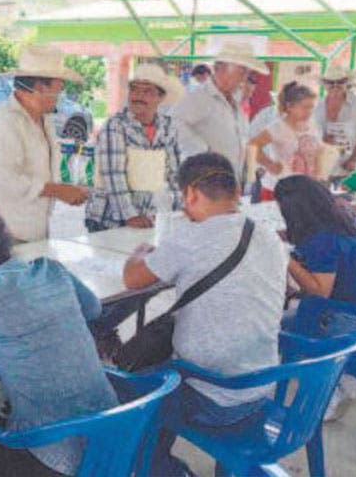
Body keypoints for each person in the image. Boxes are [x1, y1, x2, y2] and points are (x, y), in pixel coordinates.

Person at [122, 152, 287, 477]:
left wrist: (140, 251)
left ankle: (166, 470)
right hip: (261, 383)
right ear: (236, 191)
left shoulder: (191, 236)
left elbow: (132, 278)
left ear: (191, 194)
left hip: (212, 396)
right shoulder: (267, 235)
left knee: (132, 398)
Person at [0, 200, 118, 477]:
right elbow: (93, 309)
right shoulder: (52, 269)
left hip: (52, 456)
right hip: (112, 442)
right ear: (6, 236)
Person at [274, 175, 356, 422]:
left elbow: (320, 291)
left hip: (343, 317)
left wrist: (285, 258)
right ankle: (345, 378)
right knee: (289, 317)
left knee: (275, 328)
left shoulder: (321, 239)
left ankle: (331, 385)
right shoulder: (341, 216)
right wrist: (283, 236)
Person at [0, 45, 89, 242]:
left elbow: (44, 170)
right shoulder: (3, 122)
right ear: (41, 88)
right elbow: (7, 179)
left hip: (35, 228)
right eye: (59, 88)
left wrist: (68, 189)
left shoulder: (45, 119)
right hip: (5, 233)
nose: (61, 94)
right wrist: (59, 191)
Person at [85, 64, 184, 232]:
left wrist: (179, 208)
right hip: (110, 220)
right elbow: (113, 174)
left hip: (149, 217)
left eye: (147, 91)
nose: (138, 96)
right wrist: (130, 215)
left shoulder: (168, 127)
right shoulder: (116, 125)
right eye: (134, 89)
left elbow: (173, 173)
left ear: (160, 97)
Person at [171, 42, 268, 187]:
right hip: (205, 184)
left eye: (247, 73)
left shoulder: (235, 103)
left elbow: (241, 142)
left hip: (230, 184)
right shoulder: (200, 97)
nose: (244, 78)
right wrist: (204, 154)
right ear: (220, 68)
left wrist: (253, 169)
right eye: (242, 71)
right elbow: (172, 123)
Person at [249, 81, 322, 200]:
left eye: (311, 107)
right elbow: (252, 146)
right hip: (278, 190)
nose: (309, 112)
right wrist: (269, 164)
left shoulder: (312, 124)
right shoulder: (278, 127)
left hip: (305, 188)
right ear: (290, 107)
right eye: (304, 107)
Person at [315, 65, 356, 183]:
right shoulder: (318, 105)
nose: (335, 85)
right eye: (330, 82)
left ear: (347, 82)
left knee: (347, 193)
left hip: (348, 165)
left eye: (340, 82)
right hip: (323, 165)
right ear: (324, 84)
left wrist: (354, 159)